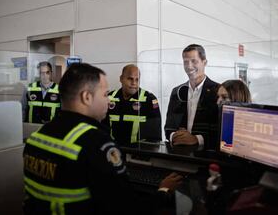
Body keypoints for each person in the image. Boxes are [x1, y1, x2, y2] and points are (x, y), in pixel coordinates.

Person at [23, 63, 182, 214]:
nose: (109, 100)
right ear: (86, 97)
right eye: (105, 94)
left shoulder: (37, 137)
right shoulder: (96, 144)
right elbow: (128, 208)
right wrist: (163, 191)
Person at [165, 44, 219, 149]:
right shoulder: (177, 92)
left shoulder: (218, 91)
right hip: (179, 152)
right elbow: (168, 128)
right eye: (185, 62)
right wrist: (174, 136)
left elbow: (220, 131)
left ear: (205, 62)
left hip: (207, 154)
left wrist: (196, 139)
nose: (189, 66)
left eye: (194, 61)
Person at [103, 64, 161, 145]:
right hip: (114, 151)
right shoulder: (109, 98)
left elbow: (155, 136)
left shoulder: (149, 99)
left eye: (137, 80)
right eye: (130, 79)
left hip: (138, 154)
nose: (134, 83)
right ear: (121, 79)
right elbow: (102, 129)